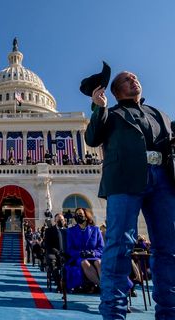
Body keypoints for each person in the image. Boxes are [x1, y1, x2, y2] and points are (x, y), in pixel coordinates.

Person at [85, 71, 175, 319]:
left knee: (168, 248)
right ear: (115, 91)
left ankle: (169, 311)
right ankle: (114, 312)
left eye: (135, 78)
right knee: (118, 246)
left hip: (163, 181)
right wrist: (99, 108)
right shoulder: (111, 114)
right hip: (125, 180)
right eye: (126, 79)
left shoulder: (160, 115)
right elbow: (92, 138)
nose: (133, 80)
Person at [65, 208, 104, 293]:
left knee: (98, 262)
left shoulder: (95, 229)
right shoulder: (71, 231)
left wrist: (94, 253)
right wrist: (80, 253)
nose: (78, 216)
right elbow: (70, 249)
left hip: (94, 256)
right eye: (76, 214)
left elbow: (101, 247)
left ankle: (103, 285)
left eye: (80, 214)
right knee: (84, 262)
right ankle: (103, 286)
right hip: (79, 257)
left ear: (86, 216)